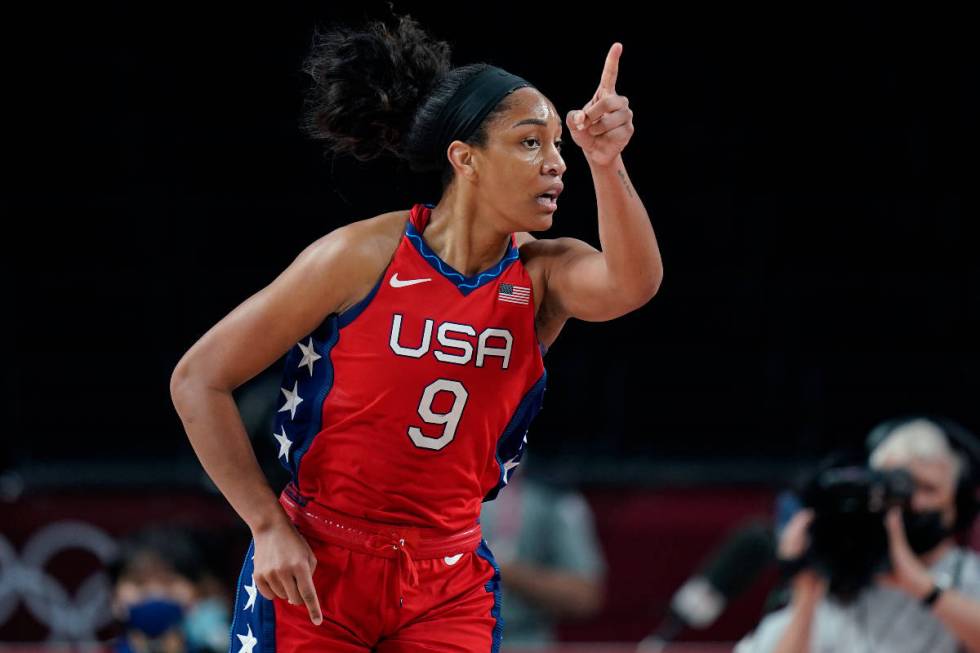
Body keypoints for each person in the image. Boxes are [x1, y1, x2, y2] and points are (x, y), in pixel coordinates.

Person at [169, 9, 661, 652]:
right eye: (529, 142)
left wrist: (606, 161)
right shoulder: (360, 255)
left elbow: (634, 284)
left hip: (447, 576)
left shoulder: (542, 275)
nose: (554, 164)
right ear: (466, 159)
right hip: (320, 559)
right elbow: (198, 378)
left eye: (559, 147)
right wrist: (265, 525)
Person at [735, 417, 980, 653]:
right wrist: (805, 592)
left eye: (929, 488)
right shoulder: (843, 567)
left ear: (958, 504)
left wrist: (921, 585)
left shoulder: (969, 574)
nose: (912, 502)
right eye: (898, 490)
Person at [478, 455, 606, 647]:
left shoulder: (554, 499)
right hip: (451, 637)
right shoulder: (442, 499)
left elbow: (585, 596)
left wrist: (509, 572)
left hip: (526, 639)